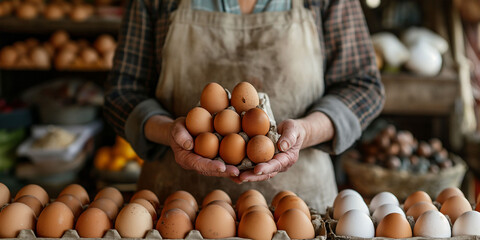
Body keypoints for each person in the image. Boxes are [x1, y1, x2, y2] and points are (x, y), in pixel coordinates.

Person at [104, 0, 385, 211]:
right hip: (176, 208)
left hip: (297, 206)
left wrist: (306, 131)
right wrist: (169, 132)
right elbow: (123, 91)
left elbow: (362, 86)